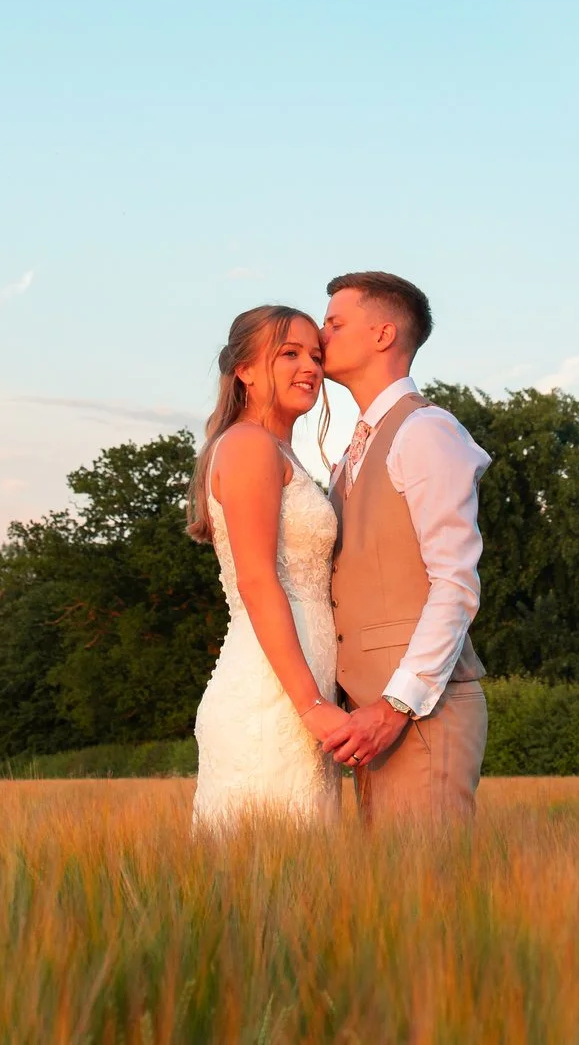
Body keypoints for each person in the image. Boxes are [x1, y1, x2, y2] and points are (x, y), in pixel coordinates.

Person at [317, 271, 490, 827]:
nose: (321, 335)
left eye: (334, 323)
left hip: (418, 715)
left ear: (383, 334)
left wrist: (395, 706)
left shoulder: (425, 430)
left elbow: (455, 583)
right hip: (366, 723)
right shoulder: (351, 453)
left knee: (431, 879)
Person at [188, 304, 349, 830]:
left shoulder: (280, 450)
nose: (310, 368)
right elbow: (257, 581)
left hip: (304, 689)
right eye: (289, 354)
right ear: (246, 371)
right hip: (273, 694)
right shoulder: (249, 445)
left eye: (315, 356)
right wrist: (311, 705)